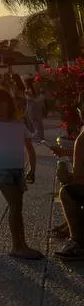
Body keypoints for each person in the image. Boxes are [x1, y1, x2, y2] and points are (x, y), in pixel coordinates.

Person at [0, 86, 42, 259]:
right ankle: (17, 246)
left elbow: (29, 148)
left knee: (18, 208)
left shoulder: (18, 124)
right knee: (14, 206)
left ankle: (21, 244)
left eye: (1, 102)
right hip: (1, 171)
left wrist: (33, 169)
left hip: (18, 170)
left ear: (8, 103)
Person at [50, 91, 84, 259]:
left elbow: (78, 177)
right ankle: (70, 225)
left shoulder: (83, 138)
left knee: (67, 191)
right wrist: (67, 151)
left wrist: (65, 176)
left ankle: (77, 242)